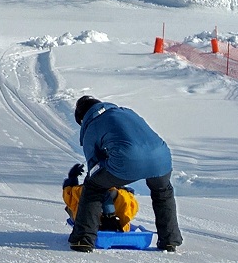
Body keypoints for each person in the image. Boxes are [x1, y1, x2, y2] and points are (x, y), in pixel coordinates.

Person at [70, 96, 181, 253]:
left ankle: (83, 239)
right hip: (162, 157)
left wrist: (109, 190)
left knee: (93, 186)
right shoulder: (127, 112)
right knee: (163, 192)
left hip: (128, 160)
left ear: (82, 117)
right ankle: (169, 241)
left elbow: (94, 167)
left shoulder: (92, 125)